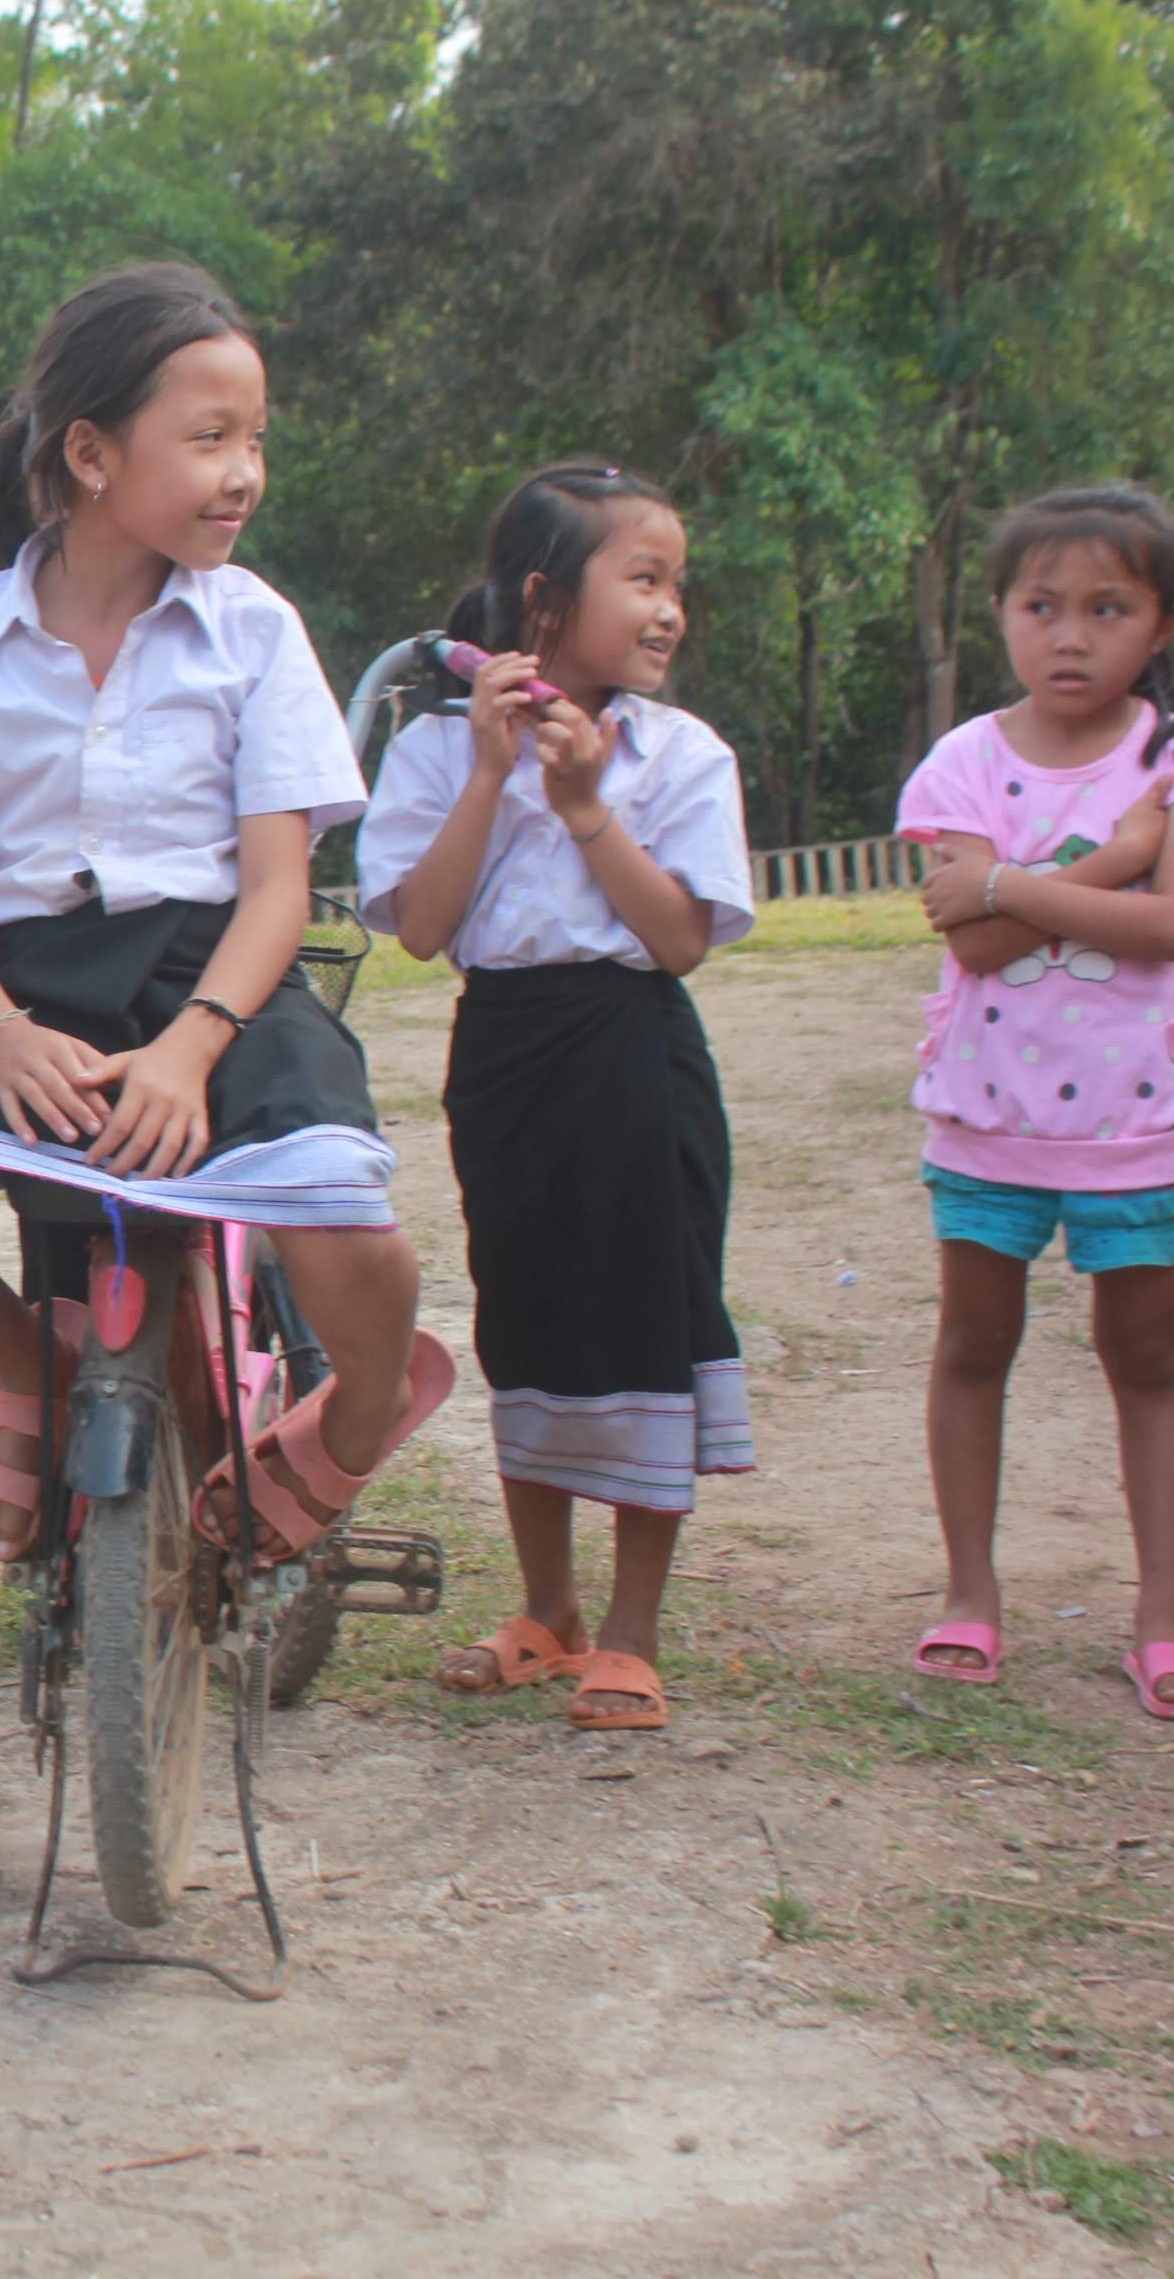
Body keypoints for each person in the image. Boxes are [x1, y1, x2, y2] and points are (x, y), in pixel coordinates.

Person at [0, 262, 450, 1639]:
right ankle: (38, 1363)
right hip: (20, 988)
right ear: (92, 456)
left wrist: (191, 1046)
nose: (245, 475)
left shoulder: (253, 628)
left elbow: (283, 886)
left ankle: (342, 1429)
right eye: (211, 439)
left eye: (255, 439)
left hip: (217, 983)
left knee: (354, 1234)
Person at [355, 462, 758, 1733]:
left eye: (674, 585)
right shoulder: (434, 748)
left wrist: (583, 807)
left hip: (636, 1052)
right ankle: (549, 1610)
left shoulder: (679, 754)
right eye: (641, 579)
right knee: (525, 1316)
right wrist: (489, 776)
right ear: (542, 599)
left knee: (646, 1316)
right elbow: (422, 927)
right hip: (508, 1055)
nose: (668, 610)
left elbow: (681, 938)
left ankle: (632, 1629)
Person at [897, 483, 1174, 1719]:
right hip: (988, 1118)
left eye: (1107, 608)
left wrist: (1015, 882)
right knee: (975, 1346)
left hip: (1145, 1122)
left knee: (1152, 1360)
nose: (1069, 635)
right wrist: (1115, 860)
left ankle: (1164, 1615)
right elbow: (966, 948)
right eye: (1041, 606)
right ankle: (971, 1592)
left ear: (1164, 626)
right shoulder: (963, 760)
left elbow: (1172, 928)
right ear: (1003, 615)